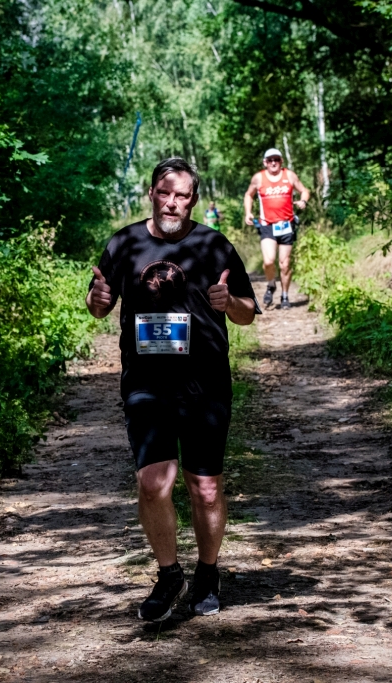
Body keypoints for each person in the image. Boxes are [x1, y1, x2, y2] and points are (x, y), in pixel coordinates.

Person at [86, 158, 259, 622]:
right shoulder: (124, 243)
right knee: (152, 484)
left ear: (193, 200)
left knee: (206, 489)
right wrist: (96, 300)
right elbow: (98, 303)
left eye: (181, 196)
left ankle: (207, 573)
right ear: (152, 193)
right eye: (164, 193)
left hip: (205, 384)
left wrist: (229, 302)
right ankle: (169, 576)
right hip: (146, 383)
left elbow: (246, 312)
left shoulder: (214, 245)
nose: (171, 203)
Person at [243, 148, 310, 309]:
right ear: (265, 162)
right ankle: (271, 283)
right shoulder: (259, 178)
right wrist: (248, 212)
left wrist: (303, 201)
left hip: (287, 224)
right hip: (267, 225)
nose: (273, 162)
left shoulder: (289, 175)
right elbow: (248, 195)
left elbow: (304, 190)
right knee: (268, 261)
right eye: (270, 160)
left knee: (284, 264)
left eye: (276, 159)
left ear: (281, 161)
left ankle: (285, 296)